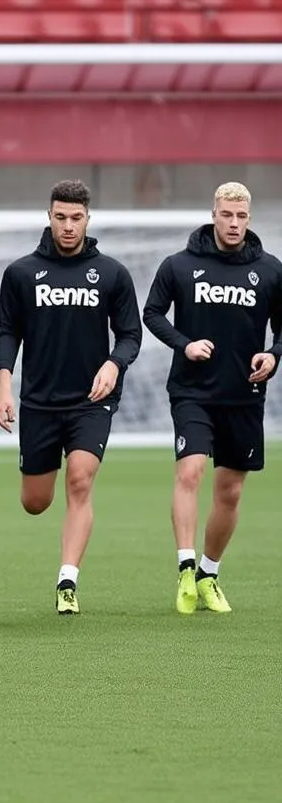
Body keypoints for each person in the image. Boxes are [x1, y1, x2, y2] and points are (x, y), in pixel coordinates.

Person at [0, 179, 142, 614]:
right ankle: (40, 478)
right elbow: (8, 332)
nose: (69, 226)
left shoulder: (112, 273)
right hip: (39, 402)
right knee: (35, 503)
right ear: (49, 217)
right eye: (61, 217)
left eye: (77, 218)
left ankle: (67, 581)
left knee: (80, 479)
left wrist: (114, 364)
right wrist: (4, 385)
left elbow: (130, 334)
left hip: (91, 401)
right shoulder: (21, 273)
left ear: (88, 219)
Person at [143, 181, 282, 614]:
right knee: (191, 471)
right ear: (214, 214)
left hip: (243, 394)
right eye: (227, 214)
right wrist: (184, 344)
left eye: (242, 216)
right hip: (192, 391)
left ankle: (208, 573)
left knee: (231, 492)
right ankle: (185, 566)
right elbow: (151, 313)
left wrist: (273, 355)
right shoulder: (180, 265)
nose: (234, 223)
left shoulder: (271, 270)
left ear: (249, 218)